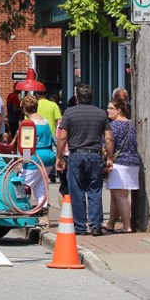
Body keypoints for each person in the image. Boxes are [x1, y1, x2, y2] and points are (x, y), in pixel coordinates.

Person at [55, 85, 113, 236]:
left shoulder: (69, 113)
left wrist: (59, 156)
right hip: (95, 154)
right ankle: (95, 225)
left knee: (77, 191)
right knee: (95, 190)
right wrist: (110, 157)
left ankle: (80, 226)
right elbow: (108, 138)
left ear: (78, 97)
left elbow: (62, 136)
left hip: (76, 155)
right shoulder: (101, 114)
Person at [105, 99, 141, 233]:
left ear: (119, 110)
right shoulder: (131, 125)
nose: (108, 110)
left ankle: (127, 226)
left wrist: (107, 158)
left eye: (111, 108)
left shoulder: (113, 126)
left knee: (121, 196)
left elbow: (108, 143)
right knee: (116, 195)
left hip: (119, 162)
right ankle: (110, 223)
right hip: (132, 162)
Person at [19, 95, 55, 211]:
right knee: (40, 187)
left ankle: (21, 211)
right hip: (48, 156)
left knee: (22, 187)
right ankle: (43, 213)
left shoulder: (29, 124)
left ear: (24, 109)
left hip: (35, 158)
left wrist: (22, 162)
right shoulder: (44, 121)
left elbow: (26, 146)